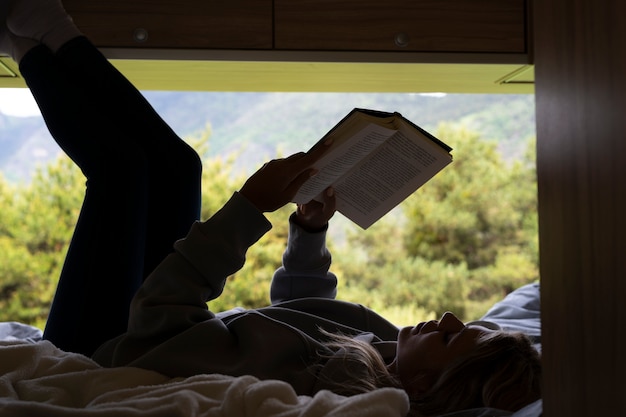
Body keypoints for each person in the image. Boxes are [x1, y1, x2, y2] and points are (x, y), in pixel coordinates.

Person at [0, 1, 541, 416]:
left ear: (423, 388)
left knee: (123, 174)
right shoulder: (380, 344)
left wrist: (249, 209)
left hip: (108, 343)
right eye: (462, 323)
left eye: (450, 336)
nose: (446, 317)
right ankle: (40, 35)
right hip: (155, 323)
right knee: (179, 168)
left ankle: (37, 38)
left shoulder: (315, 384)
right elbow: (298, 314)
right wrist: (309, 232)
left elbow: (160, 321)